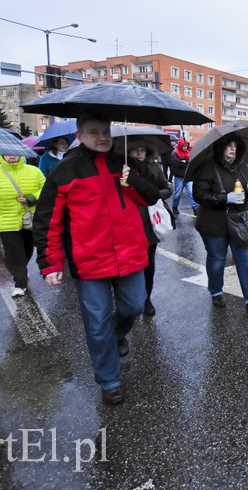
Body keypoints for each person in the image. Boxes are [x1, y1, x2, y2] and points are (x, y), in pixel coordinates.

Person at [33, 110, 161, 405]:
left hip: (130, 254)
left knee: (133, 305)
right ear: (80, 136)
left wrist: (134, 182)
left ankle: (118, 334)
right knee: (97, 323)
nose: (102, 137)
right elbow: (47, 220)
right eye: (94, 132)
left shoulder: (125, 164)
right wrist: (50, 262)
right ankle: (109, 380)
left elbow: (151, 197)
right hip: (90, 261)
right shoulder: (65, 172)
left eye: (105, 131)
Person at [192, 135, 248, 311]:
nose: (232, 149)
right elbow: (199, 195)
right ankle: (216, 291)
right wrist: (225, 198)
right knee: (217, 260)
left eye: (235, 146)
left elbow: (246, 189)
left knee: (246, 260)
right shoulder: (207, 167)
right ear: (220, 148)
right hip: (214, 223)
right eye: (228, 146)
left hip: (240, 222)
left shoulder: (241, 166)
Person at [0, 155, 46, 297]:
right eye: (7, 153)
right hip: (5, 220)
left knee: (28, 249)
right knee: (13, 252)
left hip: (29, 219)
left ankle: (21, 268)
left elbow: (47, 189)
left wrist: (32, 198)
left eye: (14, 153)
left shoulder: (34, 171)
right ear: (1, 156)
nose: (11, 156)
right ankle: (20, 283)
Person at [123, 140, 171, 317]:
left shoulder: (155, 168)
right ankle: (129, 298)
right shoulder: (121, 168)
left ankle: (146, 298)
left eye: (142, 150)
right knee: (130, 266)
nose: (138, 153)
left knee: (149, 265)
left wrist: (153, 195)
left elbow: (166, 189)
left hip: (149, 225)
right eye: (134, 150)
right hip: (127, 225)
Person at [169, 138, 198, 216]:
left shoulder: (189, 153)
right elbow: (177, 164)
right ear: (180, 146)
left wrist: (184, 161)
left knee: (191, 193)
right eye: (184, 146)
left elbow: (190, 162)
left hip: (188, 176)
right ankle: (174, 207)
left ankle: (195, 208)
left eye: (186, 146)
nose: (185, 148)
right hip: (179, 177)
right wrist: (185, 162)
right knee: (177, 194)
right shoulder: (175, 153)